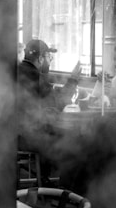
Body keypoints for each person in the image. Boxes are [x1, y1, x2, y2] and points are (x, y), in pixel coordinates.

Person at [16, 39, 80, 186]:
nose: (50, 61)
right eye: (49, 57)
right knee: (76, 141)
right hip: (28, 139)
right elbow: (59, 102)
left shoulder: (17, 71)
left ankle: (45, 178)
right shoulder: (35, 76)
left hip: (11, 136)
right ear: (40, 58)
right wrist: (73, 80)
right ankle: (65, 189)